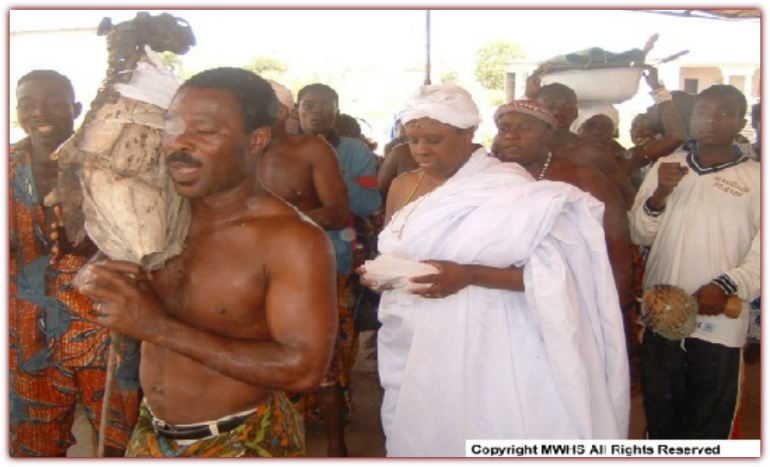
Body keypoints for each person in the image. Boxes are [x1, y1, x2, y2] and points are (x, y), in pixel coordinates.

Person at [79, 67, 338, 457]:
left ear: (256, 140)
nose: (178, 143)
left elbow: (304, 369)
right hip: (151, 434)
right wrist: (95, 273)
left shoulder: (292, 240)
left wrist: (156, 327)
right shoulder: (159, 214)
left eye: (204, 130)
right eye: (172, 127)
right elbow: (107, 258)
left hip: (242, 439)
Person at [359, 83, 629, 456]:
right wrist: (385, 275)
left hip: (493, 338)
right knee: (431, 426)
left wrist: (469, 275)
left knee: (488, 420)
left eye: (434, 139)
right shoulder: (404, 185)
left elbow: (556, 273)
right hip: (422, 336)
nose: (421, 149)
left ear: (468, 133)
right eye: (413, 139)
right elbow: (397, 252)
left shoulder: (510, 187)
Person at [10, 70, 140, 457]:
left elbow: (138, 239)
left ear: (76, 109)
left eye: (54, 103)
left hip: (102, 322)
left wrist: (90, 245)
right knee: (33, 437)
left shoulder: (106, 165)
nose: (40, 112)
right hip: (25, 329)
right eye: (27, 104)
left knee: (116, 434)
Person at [629, 84, 760, 439]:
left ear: (741, 123)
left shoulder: (756, 178)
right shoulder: (665, 167)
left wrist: (728, 284)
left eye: (724, 114)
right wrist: (660, 193)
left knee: (708, 421)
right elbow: (639, 233)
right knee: (661, 414)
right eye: (703, 112)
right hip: (660, 313)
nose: (711, 121)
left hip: (719, 320)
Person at [295, 83, 383, 457]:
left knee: (339, 337)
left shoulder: (354, 151)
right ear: (297, 109)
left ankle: (335, 408)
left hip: (338, 258)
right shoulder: (281, 149)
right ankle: (296, 410)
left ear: (336, 109)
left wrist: (329, 167)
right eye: (309, 104)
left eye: (325, 105)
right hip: (289, 260)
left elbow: (367, 202)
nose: (317, 111)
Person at [493, 99, 633, 309]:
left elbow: (616, 241)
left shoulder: (581, 176)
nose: (511, 136)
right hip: (499, 295)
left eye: (523, 129)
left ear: (547, 135)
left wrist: (616, 300)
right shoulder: (485, 176)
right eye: (504, 129)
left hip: (568, 295)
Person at [529, 80, 637, 209]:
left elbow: (626, 199)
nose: (559, 113)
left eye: (568, 108)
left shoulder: (595, 155)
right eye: (550, 107)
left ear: (575, 114)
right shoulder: (519, 150)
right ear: (535, 110)